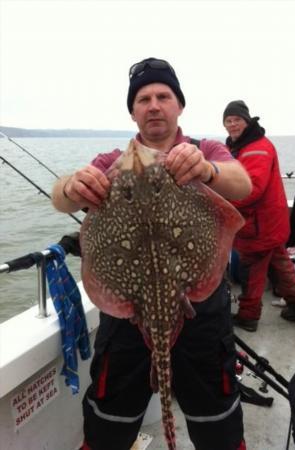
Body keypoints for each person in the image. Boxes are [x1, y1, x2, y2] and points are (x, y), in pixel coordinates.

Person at [52, 58, 252, 450]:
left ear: (179, 105)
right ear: (133, 111)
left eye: (164, 96)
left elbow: (242, 184)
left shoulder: (203, 150)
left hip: (202, 311)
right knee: (108, 423)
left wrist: (207, 171)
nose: (154, 104)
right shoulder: (112, 163)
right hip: (128, 314)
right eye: (144, 98)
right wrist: (73, 186)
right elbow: (60, 197)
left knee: (218, 423)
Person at [223, 100, 295, 333]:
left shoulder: (255, 148)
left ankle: (248, 316)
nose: (232, 125)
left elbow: (250, 189)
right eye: (228, 121)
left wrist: (222, 204)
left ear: (247, 121)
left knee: (252, 270)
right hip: (271, 221)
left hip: (259, 224)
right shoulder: (242, 145)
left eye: (237, 120)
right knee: (279, 263)